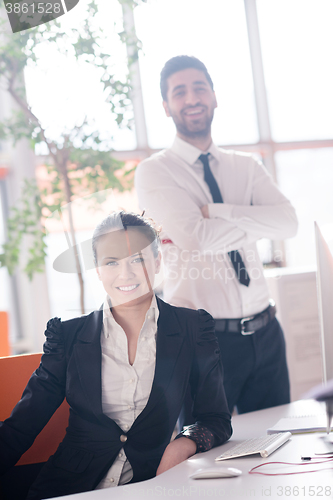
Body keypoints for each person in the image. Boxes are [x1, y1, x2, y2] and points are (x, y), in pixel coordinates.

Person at [0, 211, 232, 500]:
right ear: (97, 269)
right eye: (112, 262)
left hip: (151, 485)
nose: (126, 274)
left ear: (157, 261)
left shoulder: (193, 328)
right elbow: (23, 424)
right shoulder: (68, 336)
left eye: (137, 259)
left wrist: (182, 444)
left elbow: (215, 419)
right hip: (68, 489)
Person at [135, 55, 298, 421]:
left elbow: (288, 224)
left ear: (214, 96)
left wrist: (221, 213)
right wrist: (257, 221)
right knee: (203, 457)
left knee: (279, 444)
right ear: (166, 106)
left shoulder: (246, 166)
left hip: (267, 332)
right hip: (203, 341)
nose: (191, 98)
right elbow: (196, 239)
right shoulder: (154, 172)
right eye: (180, 92)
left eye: (199, 88)